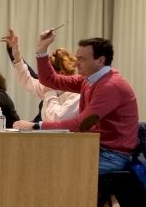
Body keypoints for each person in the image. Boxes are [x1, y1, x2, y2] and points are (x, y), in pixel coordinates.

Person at [12, 32, 139, 175]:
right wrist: (42, 49)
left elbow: (81, 124)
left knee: (53, 171)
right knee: (43, 163)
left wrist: (36, 126)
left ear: (100, 60)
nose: (76, 63)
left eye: (82, 59)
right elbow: (49, 80)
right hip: (94, 147)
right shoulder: (88, 80)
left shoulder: (110, 86)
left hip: (111, 155)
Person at [4, 29, 80, 123]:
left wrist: (49, 93)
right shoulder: (50, 87)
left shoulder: (76, 93)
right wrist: (16, 55)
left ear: (62, 73)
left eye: (48, 74)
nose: (44, 77)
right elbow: (27, 80)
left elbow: (57, 119)